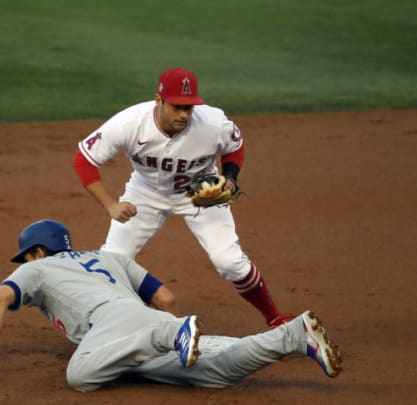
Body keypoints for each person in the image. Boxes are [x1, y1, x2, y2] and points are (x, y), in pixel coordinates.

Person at [0, 219, 343, 392]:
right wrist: (161, 327)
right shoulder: (110, 257)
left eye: (26, 257)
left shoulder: (41, 267)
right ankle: (291, 337)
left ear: (37, 251)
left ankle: (170, 333)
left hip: (118, 323)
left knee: (80, 376)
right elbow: (165, 298)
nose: (25, 264)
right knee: (212, 374)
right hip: (144, 318)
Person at [73, 67, 290, 328]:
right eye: (176, 107)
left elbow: (234, 147)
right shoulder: (129, 123)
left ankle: (275, 317)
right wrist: (110, 204)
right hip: (146, 192)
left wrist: (230, 178)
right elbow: (83, 161)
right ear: (159, 100)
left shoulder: (213, 122)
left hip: (200, 192)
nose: (184, 114)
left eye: (189, 107)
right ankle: (99, 325)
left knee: (230, 262)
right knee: (112, 260)